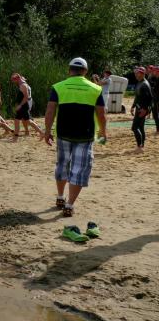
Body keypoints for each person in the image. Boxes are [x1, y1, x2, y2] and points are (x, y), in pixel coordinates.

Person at [44, 57, 106, 217]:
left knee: (62, 165)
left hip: (63, 133)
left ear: (69, 70)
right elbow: (101, 114)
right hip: (85, 135)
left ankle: (60, 197)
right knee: (79, 169)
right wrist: (103, 132)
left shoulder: (58, 87)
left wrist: (47, 131)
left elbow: (50, 111)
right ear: (85, 71)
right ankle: (69, 205)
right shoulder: (95, 89)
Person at [10, 73, 44, 141]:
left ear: (18, 78)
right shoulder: (21, 84)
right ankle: (41, 133)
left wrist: (20, 105)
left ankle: (15, 137)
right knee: (26, 121)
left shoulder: (23, 85)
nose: (13, 81)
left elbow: (26, 97)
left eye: (13, 79)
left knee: (19, 120)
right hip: (23, 105)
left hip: (23, 106)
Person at [131, 66, 153, 154]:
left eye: (137, 73)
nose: (135, 75)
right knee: (140, 127)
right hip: (139, 108)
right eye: (135, 73)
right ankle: (141, 145)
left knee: (134, 127)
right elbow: (137, 96)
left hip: (142, 109)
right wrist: (133, 106)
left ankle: (139, 147)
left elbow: (150, 99)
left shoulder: (144, 84)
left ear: (142, 74)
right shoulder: (140, 83)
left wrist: (145, 109)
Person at [148, 65, 159, 134]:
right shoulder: (154, 78)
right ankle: (158, 128)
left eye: (154, 71)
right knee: (155, 114)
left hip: (157, 99)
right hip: (155, 99)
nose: (153, 72)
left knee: (156, 114)